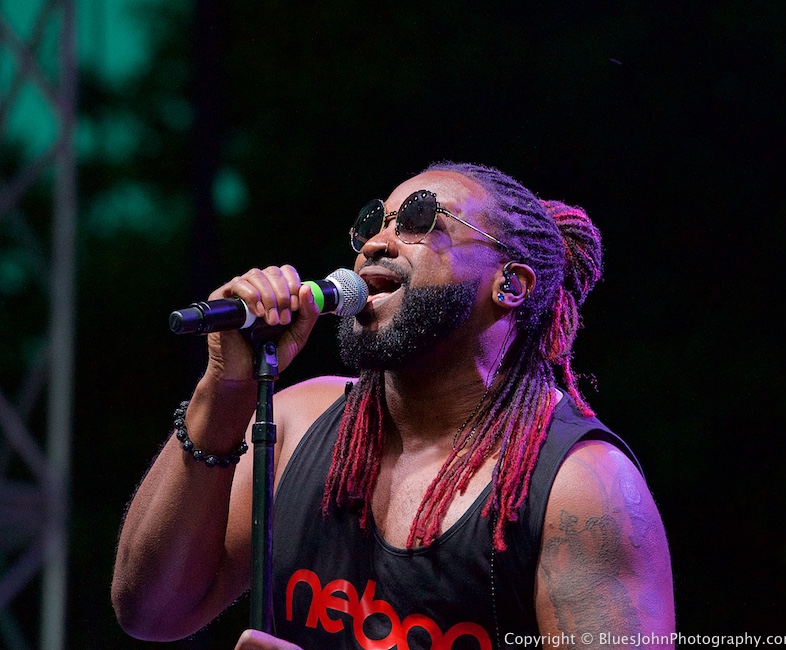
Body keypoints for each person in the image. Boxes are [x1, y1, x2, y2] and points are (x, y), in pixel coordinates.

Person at [111, 162, 675, 649]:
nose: (376, 243)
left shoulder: (582, 489)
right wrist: (223, 389)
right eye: (375, 223)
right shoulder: (297, 420)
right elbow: (150, 611)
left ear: (511, 285)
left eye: (420, 219)